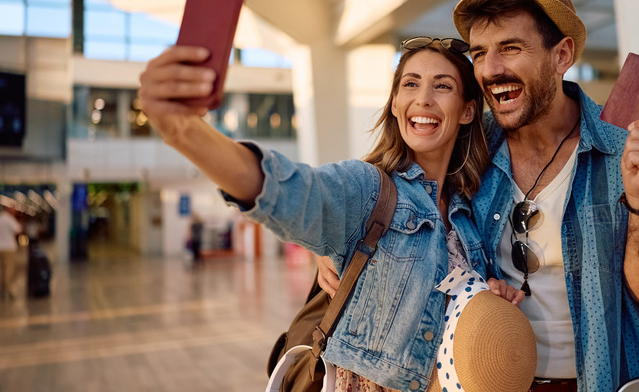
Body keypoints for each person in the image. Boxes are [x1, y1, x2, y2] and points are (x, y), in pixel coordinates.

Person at [319, 0, 639, 392]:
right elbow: (393, 183)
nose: (491, 70)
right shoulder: (469, 148)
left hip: (609, 380)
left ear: (562, 55)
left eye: (511, 49)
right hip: (492, 379)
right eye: (480, 53)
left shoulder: (628, 153)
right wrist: (335, 237)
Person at [138, 37, 522, 392]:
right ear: (393, 102)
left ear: (468, 110)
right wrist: (182, 131)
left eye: (442, 86)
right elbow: (286, 190)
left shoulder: (468, 214)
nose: (423, 99)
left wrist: (485, 299)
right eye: (409, 84)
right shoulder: (367, 188)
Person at [0, 205, 22, 300]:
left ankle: (1, 290)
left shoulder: (0, 218)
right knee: (10, 270)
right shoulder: (10, 219)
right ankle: (8, 290)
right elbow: (18, 229)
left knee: (1, 270)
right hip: (9, 248)